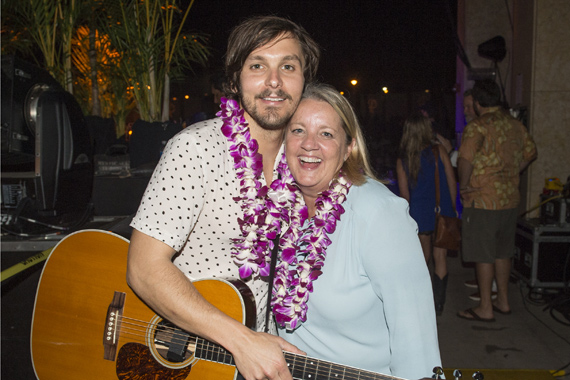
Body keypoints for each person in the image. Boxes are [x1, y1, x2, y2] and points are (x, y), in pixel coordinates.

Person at [126, 15, 320, 380]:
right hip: (181, 358)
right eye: (258, 65)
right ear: (235, 79)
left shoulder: (302, 162)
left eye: (288, 66)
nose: (274, 81)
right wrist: (241, 340)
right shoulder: (195, 149)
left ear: (304, 81)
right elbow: (143, 268)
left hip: (255, 358)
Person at [272, 83, 441, 380]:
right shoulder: (276, 207)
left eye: (326, 133)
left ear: (349, 147)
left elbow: (415, 337)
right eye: (298, 130)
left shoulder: (378, 213)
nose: (309, 144)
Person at [457, 79, 537, 322]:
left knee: (484, 254)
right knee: (503, 252)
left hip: (483, 200)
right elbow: (531, 153)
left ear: (479, 102)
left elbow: (465, 160)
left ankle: (485, 307)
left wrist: (465, 185)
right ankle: (502, 301)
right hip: (509, 199)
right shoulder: (515, 124)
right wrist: (512, 172)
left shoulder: (478, 126)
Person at [396, 115, 457, 316]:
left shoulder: (403, 159)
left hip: (419, 213)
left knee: (422, 259)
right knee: (441, 258)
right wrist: (452, 207)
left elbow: (404, 196)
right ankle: (439, 304)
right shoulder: (438, 152)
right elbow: (450, 180)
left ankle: (421, 302)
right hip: (442, 210)